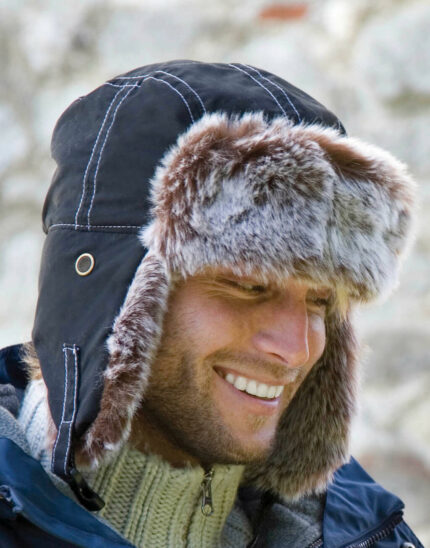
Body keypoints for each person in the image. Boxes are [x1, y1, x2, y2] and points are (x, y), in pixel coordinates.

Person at [0, 60, 424, 548]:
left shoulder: (372, 536)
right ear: (115, 296)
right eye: (249, 286)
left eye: (320, 300)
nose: (296, 349)